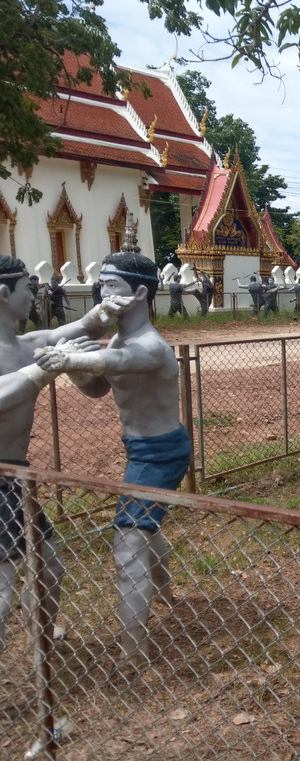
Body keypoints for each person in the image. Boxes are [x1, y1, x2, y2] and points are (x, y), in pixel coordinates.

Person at [36, 251, 191, 666]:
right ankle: (165, 587)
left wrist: (72, 358)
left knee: (127, 547)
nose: (102, 293)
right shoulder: (120, 338)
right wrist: (75, 368)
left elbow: (120, 362)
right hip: (139, 450)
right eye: (101, 284)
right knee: (144, 527)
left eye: (113, 286)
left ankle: (132, 652)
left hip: (162, 453)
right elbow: (99, 388)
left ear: (140, 292)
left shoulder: (150, 346)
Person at [0, 255, 119, 658]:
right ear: (3, 293)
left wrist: (105, 309)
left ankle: (42, 650)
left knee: (49, 569)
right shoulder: (27, 354)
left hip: (15, 479)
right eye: (26, 288)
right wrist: (41, 373)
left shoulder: (25, 344)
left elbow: (79, 328)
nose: (33, 294)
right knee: (3, 589)